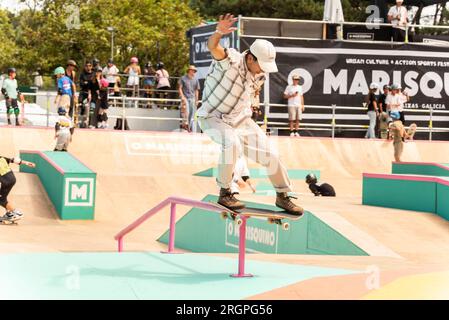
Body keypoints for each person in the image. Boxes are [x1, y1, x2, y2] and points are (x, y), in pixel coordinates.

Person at [196, 14, 303, 215]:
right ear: (250, 57)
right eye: (260, 65)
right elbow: (213, 47)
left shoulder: (260, 74)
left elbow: (252, 93)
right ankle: (226, 192)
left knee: (271, 155)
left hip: (241, 120)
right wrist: (218, 32)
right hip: (212, 117)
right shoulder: (232, 60)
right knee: (232, 144)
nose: (262, 71)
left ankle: (283, 195)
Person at [0, 155, 35, 222]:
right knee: (3, 198)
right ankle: (9, 214)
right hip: (12, 179)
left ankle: (16, 213)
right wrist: (26, 163)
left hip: (6, 181)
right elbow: (14, 160)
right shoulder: (2, 158)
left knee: (1, 200)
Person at [178, 65, 201, 132]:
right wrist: (182, 96)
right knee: (186, 111)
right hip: (185, 98)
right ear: (189, 70)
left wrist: (197, 100)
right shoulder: (183, 78)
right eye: (192, 70)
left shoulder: (196, 79)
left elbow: (197, 90)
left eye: (194, 71)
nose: (193, 72)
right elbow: (180, 88)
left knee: (193, 115)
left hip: (193, 99)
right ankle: (185, 125)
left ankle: (190, 129)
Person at [78, 61, 95, 128]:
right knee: (80, 105)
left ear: (91, 66)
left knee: (91, 108)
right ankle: (80, 122)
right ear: (85, 67)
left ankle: (89, 123)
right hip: (83, 92)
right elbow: (81, 84)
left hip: (91, 93)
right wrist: (87, 82)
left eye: (89, 66)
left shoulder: (93, 74)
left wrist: (86, 82)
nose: (88, 67)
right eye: (87, 66)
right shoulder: (82, 74)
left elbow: (93, 84)